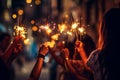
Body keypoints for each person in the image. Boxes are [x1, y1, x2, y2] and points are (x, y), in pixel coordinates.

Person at [75, 8, 120, 80]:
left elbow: (89, 67)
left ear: (104, 30)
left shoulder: (99, 56)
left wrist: (80, 50)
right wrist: (81, 50)